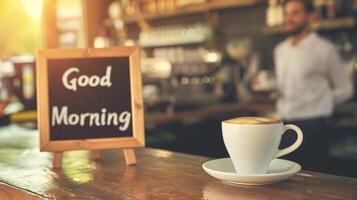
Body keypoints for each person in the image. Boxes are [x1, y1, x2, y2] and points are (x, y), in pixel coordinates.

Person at [274, 0, 354, 171]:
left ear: (311, 16)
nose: (289, 18)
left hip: (314, 127)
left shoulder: (325, 49)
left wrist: (320, 100)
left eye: (295, 13)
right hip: (284, 125)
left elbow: (346, 88)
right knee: (284, 179)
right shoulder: (280, 50)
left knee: (313, 180)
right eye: (287, 14)